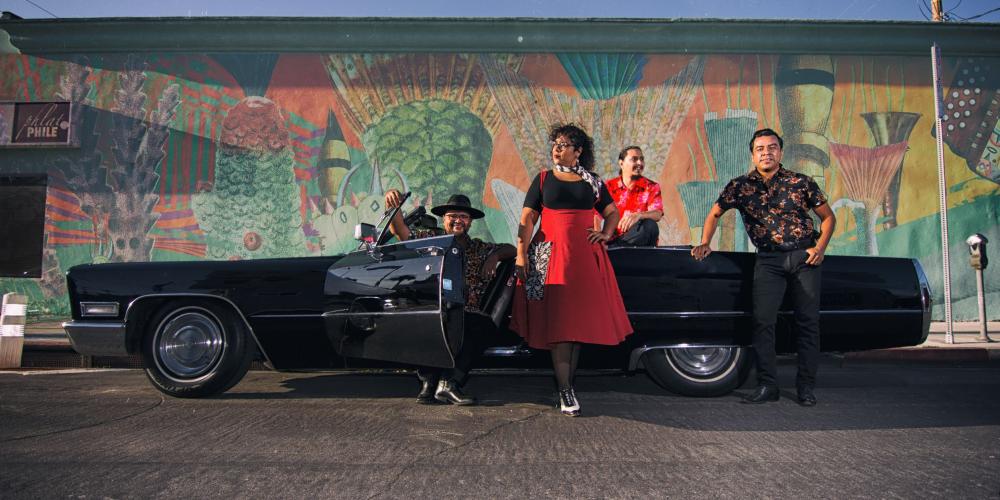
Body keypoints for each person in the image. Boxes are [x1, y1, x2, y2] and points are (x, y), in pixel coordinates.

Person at [691, 128, 836, 407]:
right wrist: (705, 241)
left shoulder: (800, 182)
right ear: (753, 154)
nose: (766, 152)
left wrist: (820, 249)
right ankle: (768, 385)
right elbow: (715, 212)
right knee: (763, 322)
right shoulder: (740, 186)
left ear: (780, 152)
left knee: (807, 323)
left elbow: (828, 217)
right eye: (760, 149)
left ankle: (806, 387)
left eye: (772, 148)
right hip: (768, 260)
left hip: (803, 257)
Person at [511, 123, 634, 416]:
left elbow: (613, 212)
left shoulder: (592, 181)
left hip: (582, 259)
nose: (557, 148)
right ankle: (565, 389)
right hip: (547, 254)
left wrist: (606, 233)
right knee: (558, 324)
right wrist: (520, 254)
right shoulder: (542, 180)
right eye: (554, 142)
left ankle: (566, 388)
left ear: (578, 151)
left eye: (564, 144)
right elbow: (527, 218)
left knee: (574, 326)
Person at [385, 190, 516, 406]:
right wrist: (394, 207)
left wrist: (495, 256)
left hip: (467, 311)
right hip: (436, 308)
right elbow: (401, 233)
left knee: (482, 325)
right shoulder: (430, 240)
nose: (458, 220)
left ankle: (450, 383)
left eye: (463, 217)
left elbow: (511, 249)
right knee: (428, 322)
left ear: (470, 222)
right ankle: (429, 384)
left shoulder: (478, 247)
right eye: (452, 216)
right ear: (444, 219)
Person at [604, 146, 663, 247]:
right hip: (613, 240)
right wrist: (599, 244)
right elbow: (597, 217)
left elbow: (658, 214)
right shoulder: (608, 187)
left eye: (641, 159)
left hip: (640, 243)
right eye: (634, 159)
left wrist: (638, 215)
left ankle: (617, 248)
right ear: (621, 163)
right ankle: (615, 248)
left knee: (650, 225)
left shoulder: (652, 187)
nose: (640, 163)